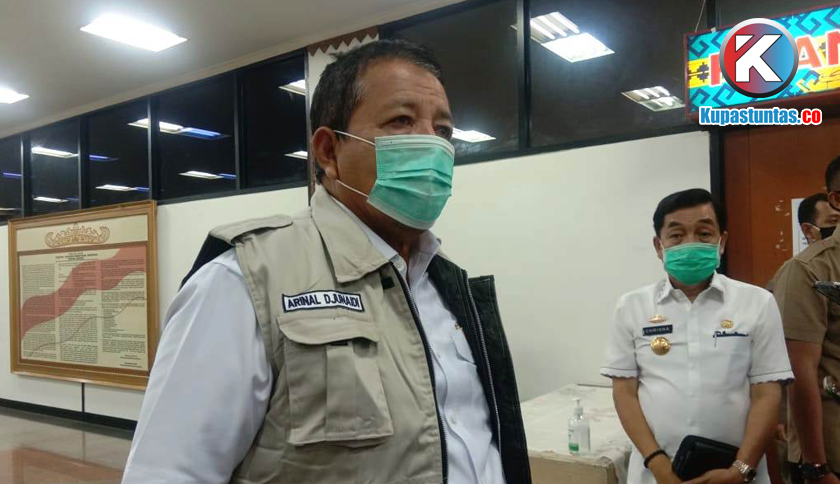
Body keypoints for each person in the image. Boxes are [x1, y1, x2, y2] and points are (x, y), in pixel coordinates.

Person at [121, 39, 531, 484]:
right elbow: (167, 473)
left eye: (444, 130)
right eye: (402, 120)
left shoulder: (447, 283)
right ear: (329, 152)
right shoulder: (245, 280)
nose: (432, 144)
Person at [601, 188, 794, 484]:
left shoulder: (757, 303)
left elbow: (767, 393)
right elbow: (624, 392)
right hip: (655, 473)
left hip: (738, 471)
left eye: (704, 234)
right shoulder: (631, 307)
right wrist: (659, 466)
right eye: (676, 235)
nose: (690, 243)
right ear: (659, 246)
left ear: (722, 242)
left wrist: (740, 469)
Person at [773, 157, 840, 484]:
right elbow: (800, 374)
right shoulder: (808, 270)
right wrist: (817, 467)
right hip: (832, 451)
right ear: (837, 200)